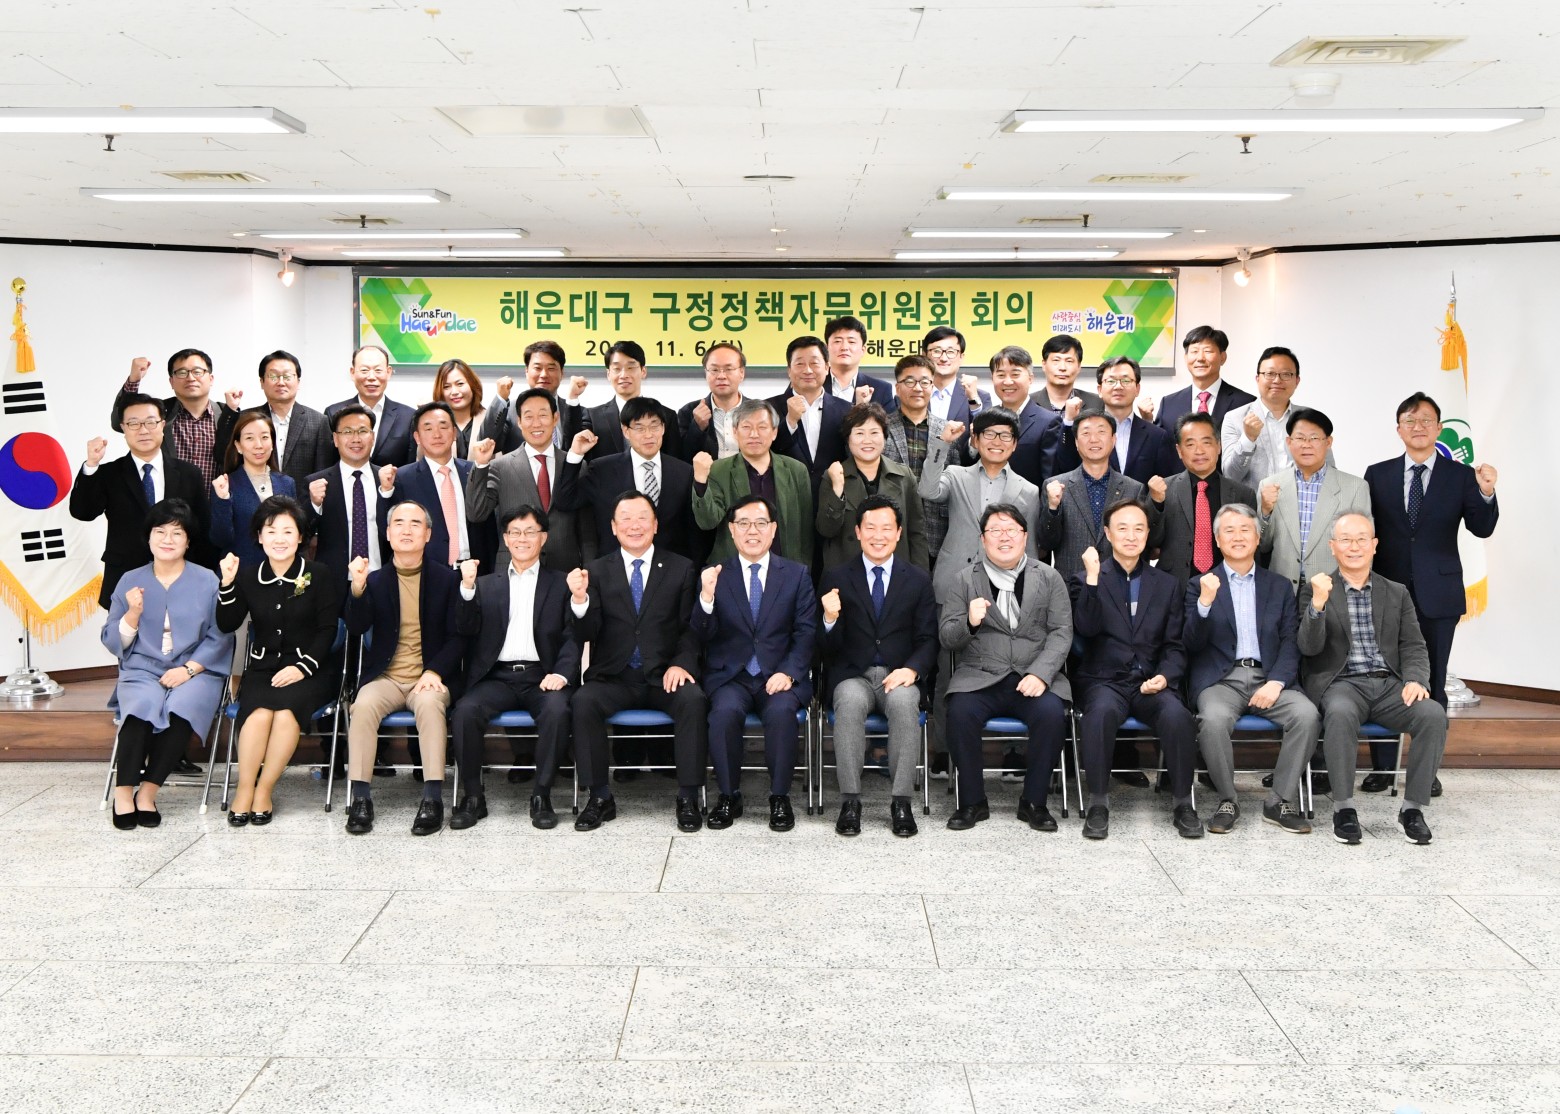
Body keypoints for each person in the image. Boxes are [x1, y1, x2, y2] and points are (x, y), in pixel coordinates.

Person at [1361, 392, 1498, 793]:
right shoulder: (1377, 474)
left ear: (1438, 428)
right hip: (1387, 592)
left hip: (1438, 592)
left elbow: (1482, 528)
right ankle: (1383, 769)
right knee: (1386, 679)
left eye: (1425, 420)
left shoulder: (1461, 475)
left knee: (1433, 681)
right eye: (1410, 420)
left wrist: (1487, 492)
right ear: (1398, 429)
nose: (1417, 427)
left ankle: (1426, 772)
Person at [1296, 513, 1448, 845]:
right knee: (1340, 713)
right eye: (1345, 540)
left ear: (1374, 545)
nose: (1354, 547)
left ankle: (1412, 810)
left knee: (1432, 714)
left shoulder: (1396, 592)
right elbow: (1308, 648)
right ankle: (1344, 809)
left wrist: (1416, 679)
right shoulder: (1316, 589)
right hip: (1342, 684)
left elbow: (1413, 644)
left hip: (1390, 684)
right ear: (1333, 547)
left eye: (1361, 539)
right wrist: (1318, 605)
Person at [567, 492, 708, 832]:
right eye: (626, 518)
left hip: (664, 675)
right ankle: (599, 797)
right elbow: (586, 632)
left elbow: (690, 628)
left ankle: (688, 796)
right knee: (583, 701)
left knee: (693, 700)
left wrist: (682, 664)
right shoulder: (596, 570)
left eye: (642, 517)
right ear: (613, 527)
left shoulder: (681, 568)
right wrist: (580, 600)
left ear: (655, 525)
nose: (634, 525)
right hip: (614, 676)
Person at [1184, 503, 1320, 835]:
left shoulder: (1279, 586)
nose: (1238, 536)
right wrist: (1204, 603)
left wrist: (1276, 682)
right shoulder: (1200, 584)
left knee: (1306, 715)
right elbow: (1190, 643)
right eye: (1229, 530)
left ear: (1258, 538)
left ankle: (1279, 801)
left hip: (1269, 677)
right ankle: (1227, 800)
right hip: (1221, 680)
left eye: (1245, 529)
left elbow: (1290, 640)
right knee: (1213, 720)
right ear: (1217, 540)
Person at [1070, 501, 1199, 840]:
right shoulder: (1085, 579)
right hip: (1104, 681)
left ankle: (1183, 804)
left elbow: (1174, 644)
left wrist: (1165, 676)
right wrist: (1093, 580)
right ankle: (1098, 804)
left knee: (1178, 716)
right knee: (1099, 715)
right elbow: (1085, 629)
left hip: (1150, 680)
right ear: (1108, 533)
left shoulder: (1167, 584)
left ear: (1148, 534)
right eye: (1122, 528)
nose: (1131, 536)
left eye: (1139, 528)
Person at [101, 499, 232, 828]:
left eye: (177, 533)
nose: (168, 539)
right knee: (140, 706)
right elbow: (113, 640)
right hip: (142, 667)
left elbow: (220, 636)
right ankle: (123, 792)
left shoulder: (207, 580)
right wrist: (133, 614)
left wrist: (188, 670)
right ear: (148, 537)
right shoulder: (130, 580)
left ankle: (147, 792)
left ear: (188, 541)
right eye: (160, 532)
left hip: (196, 670)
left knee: (183, 708)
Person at [941, 504, 1073, 830]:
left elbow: (1061, 631)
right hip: (980, 677)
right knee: (959, 712)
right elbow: (947, 637)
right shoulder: (964, 580)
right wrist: (970, 623)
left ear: (1025, 537)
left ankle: (1034, 802)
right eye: (995, 531)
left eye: (1012, 530)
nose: (1004, 537)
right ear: (982, 539)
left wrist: (1041, 673)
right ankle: (972, 802)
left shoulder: (1050, 577)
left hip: (1033, 676)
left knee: (1052, 714)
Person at [691, 495, 818, 832]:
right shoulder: (716, 574)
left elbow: (806, 632)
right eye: (743, 523)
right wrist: (706, 598)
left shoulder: (796, 574)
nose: (752, 531)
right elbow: (701, 635)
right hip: (731, 676)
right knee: (723, 713)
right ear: (731, 530)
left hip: (779, 674)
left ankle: (780, 797)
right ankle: (728, 795)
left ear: (773, 529)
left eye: (761, 523)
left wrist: (789, 672)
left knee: (781, 713)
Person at [448, 506, 578, 831]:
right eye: (515, 533)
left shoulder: (561, 583)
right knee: (465, 712)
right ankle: (473, 797)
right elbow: (464, 629)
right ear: (505, 539)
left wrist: (561, 673)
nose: (522, 539)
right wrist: (467, 590)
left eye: (530, 532)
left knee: (557, 710)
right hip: (497, 677)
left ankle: (542, 795)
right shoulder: (485, 584)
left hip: (541, 676)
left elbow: (572, 636)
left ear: (543, 538)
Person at [214, 496, 339, 826]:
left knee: (284, 715)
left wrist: (302, 667)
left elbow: (328, 629)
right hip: (263, 669)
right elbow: (227, 623)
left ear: (301, 537)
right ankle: (244, 789)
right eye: (271, 531)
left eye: (288, 531)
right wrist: (227, 583)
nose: (279, 539)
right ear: (259, 537)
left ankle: (264, 790)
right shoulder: (249, 575)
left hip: (310, 670)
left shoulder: (319, 573)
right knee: (256, 715)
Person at [342, 501, 465, 836]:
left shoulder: (447, 580)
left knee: (430, 705)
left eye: (415, 523)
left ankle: (433, 798)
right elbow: (357, 626)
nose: (406, 530)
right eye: (398, 523)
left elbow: (458, 637)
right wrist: (357, 588)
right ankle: (361, 798)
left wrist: (434, 671)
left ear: (428, 534)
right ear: (387, 533)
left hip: (429, 676)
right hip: (386, 676)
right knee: (362, 706)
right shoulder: (375, 580)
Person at [818, 496, 937, 837]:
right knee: (849, 702)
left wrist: (912, 670)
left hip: (899, 674)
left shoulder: (917, 579)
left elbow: (928, 639)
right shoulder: (837, 577)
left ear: (898, 533)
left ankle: (901, 802)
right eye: (870, 527)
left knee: (904, 703)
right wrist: (829, 619)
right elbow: (824, 647)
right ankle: (850, 801)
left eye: (887, 528)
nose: (878, 535)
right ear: (858, 531)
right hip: (853, 675)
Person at [72, 395, 211, 606]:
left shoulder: (188, 473)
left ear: (163, 425)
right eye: (134, 423)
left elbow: (203, 529)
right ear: (123, 428)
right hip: (125, 579)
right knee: (125, 629)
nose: (143, 430)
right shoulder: (109, 473)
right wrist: (91, 465)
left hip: (181, 581)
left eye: (150, 422)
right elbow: (83, 512)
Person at [554, 397, 700, 563]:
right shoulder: (603, 470)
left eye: (654, 426)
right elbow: (565, 500)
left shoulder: (684, 472)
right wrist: (575, 454)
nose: (648, 435)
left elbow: (693, 531)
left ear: (663, 428)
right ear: (626, 431)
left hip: (669, 569)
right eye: (639, 428)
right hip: (614, 568)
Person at [468, 388, 590, 572]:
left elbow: (586, 528)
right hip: (514, 569)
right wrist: (480, 465)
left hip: (565, 570)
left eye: (543, 415)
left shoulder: (576, 464)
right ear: (519, 422)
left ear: (555, 418)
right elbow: (476, 513)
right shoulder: (500, 466)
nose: (536, 423)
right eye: (528, 417)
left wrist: (588, 569)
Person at [1257, 408, 1369, 592]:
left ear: (1328, 442)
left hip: (1333, 589)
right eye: (1300, 438)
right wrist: (1265, 513)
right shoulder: (1269, 485)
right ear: (1289, 442)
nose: (1306, 445)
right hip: (1281, 589)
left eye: (1314, 438)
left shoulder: (1355, 488)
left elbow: (1363, 548)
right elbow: (1263, 545)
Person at [376, 402, 495, 574]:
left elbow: (488, 525)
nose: (437, 434)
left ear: (454, 433)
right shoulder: (402, 477)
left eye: (443, 427)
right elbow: (386, 529)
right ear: (417, 437)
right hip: (428, 574)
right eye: (428, 428)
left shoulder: (474, 470)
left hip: (476, 569)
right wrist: (386, 492)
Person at [1040, 411, 1160, 580]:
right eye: (1086, 433)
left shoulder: (1134, 488)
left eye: (1101, 432)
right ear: (1076, 442)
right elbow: (1046, 543)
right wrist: (1053, 508)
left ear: (1113, 440)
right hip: (1071, 585)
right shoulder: (1056, 486)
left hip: (1119, 584)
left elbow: (1145, 544)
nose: (1094, 439)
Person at [692, 400, 813, 564]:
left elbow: (806, 531)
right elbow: (707, 522)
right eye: (746, 427)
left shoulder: (796, 470)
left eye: (762, 427)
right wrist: (700, 482)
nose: (754, 434)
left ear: (774, 432)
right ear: (735, 432)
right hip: (734, 568)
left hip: (785, 568)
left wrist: (803, 571)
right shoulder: (718, 470)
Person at [816, 403, 928, 571]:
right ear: (848, 439)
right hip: (847, 573)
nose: (867, 440)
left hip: (896, 572)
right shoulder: (833, 475)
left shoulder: (904, 476)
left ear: (885, 437)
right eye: (859, 433)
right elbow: (826, 530)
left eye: (874, 433)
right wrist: (838, 489)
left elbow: (917, 533)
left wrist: (920, 577)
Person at [1152, 413, 1257, 585]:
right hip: (1174, 586)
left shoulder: (1243, 494)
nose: (1199, 451)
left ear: (1219, 446)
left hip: (1228, 587)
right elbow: (1152, 542)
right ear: (1179, 451)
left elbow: (1253, 548)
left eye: (1206, 442)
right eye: (1190, 444)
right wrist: (1156, 504)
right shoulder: (1163, 489)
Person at [112, 350, 239, 488]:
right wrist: (134, 380)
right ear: (171, 381)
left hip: (218, 500)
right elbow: (119, 422)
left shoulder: (228, 414)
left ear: (211, 379)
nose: (190, 378)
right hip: (167, 500)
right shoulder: (159, 412)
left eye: (197, 372)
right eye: (182, 372)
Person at [305, 405, 386, 603]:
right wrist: (314, 504)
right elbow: (303, 533)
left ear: (373, 437)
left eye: (363, 431)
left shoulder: (389, 480)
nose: (356, 439)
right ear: (335, 439)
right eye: (347, 432)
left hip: (382, 579)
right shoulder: (316, 483)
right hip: (333, 584)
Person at [1220, 346, 1332, 485]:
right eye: (1270, 373)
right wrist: (1248, 439)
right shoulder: (1234, 418)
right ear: (1258, 379)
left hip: (1305, 498)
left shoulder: (1311, 419)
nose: (1277, 380)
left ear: (1297, 381)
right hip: (1256, 499)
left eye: (1286, 374)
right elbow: (1230, 476)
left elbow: (1330, 471)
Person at [233, 350, 333, 494]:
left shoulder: (319, 421)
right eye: (273, 376)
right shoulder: (246, 419)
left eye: (287, 376)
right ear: (262, 382)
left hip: (302, 503)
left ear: (298, 381)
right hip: (254, 502)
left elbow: (323, 472)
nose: (280, 382)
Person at [883, 355, 951, 563]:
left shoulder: (948, 431)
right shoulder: (880, 428)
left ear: (932, 386)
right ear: (897, 388)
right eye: (910, 381)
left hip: (937, 531)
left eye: (924, 382)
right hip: (890, 528)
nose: (918, 388)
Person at [210, 410, 297, 565]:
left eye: (264, 437)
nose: (258, 445)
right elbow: (220, 539)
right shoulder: (225, 484)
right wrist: (223, 500)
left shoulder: (287, 483)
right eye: (249, 438)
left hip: (281, 571)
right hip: (241, 571)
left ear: (272, 443)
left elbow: (295, 533)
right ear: (238, 445)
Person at [573, 340, 681, 462]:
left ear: (643, 371)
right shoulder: (593, 417)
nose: (624, 375)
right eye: (617, 368)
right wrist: (573, 399)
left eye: (631, 367)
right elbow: (571, 445)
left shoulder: (668, 416)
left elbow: (674, 464)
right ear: (608, 374)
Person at [770, 334, 851, 488]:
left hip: (831, 493)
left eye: (814, 363)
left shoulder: (846, 410)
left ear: (827, 368)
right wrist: (790, 422)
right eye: (800, 364)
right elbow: (765, 451)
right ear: (789, 370)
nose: (807, 370)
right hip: (785, 492)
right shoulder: (768, 408)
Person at [1144, 325, 1255, 433]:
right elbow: (1159, 442)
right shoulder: (1168, 404)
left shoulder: (1246, 403)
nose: (1200, 358)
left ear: (1223, 357)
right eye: (1194, 351)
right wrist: (1147, 420)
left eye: (1208, 351)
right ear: (1186, 358)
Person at [478, 340, 582, 454]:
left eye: (551, 368)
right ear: (527, 371)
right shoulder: (510, 411)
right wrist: (500, 399)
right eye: (537, 368)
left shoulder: (575, 410)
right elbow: (485, 444)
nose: (544, 374)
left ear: (562, 373)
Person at [980, 345, 1062, 489]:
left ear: (1030, 378)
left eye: (1015, 374)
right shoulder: (985, 419)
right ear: (992, 378)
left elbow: (1049, 478)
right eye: (1001, 375)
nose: (1007, 381)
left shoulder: (1048, 422)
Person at [325, 345, 417, 468]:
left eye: (378, 370)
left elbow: (411, 466)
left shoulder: (408, 416)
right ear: (352, 372)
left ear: (388, 372)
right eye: (364, 370)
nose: (372, 377)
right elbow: (328, 463)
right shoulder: (333, 413)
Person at [1093, 356, 1181, 483]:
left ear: (1137, 389)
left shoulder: (1156, 436)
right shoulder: (1085, 433)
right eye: (1111, 381)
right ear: (1100, 390)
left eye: (1126, 380)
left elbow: (1166, 483)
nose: (1118, 386)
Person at [1032, 334, 1100, 474]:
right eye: (1056, 360)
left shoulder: (1095, 403)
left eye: (1069, 361)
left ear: (1079, 366)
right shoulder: (1029, 403)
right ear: (1044, 365)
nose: (1062, 367)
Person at [677, 342, 748, 462]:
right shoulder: (688, 412)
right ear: (706, 373)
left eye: (728, 369)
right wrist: (697, 428)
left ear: (741, 373)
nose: (721, 376)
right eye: (714, 370)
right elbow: (681, 459)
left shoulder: (758, 412)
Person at [921, 326, 989, 425]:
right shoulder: (908, 394)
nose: (944, 358)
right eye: (937, 351)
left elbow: (986, 429)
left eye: (951, 352)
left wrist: (973, 398)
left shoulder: (980, 397)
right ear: (924, 355)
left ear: (961, 357)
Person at [824, 315, 893, 408]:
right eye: (837, 341)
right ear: (826, 348)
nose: (844, 347)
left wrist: (861, 407)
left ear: (863, 350)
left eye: (851, 342)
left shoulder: (881, 389)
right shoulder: (812, 386)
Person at [431, 358, 485, 458]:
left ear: (472, 384)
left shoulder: (489, 420)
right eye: (446, 387)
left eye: (460, 384)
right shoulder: (432, 424)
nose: (454, 392)